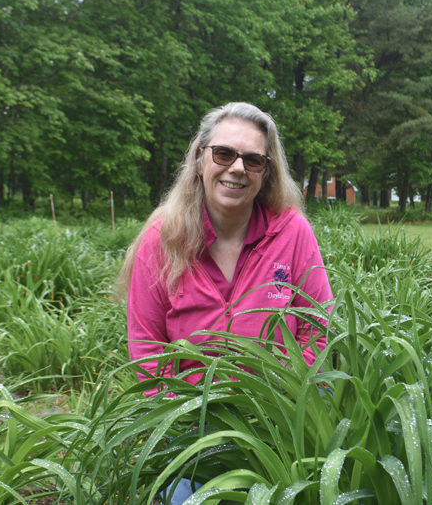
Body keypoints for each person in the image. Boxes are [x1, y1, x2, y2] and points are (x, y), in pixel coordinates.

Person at [116, 102, 332, 503]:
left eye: (253, 160)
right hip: (192, 427)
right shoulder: (161, 239)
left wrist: (282, 401)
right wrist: (187, 419)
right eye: (224, 154)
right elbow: (146, 348)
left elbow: (318, 328)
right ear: (200, 160)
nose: (237, 168)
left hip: (280, 417)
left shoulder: (293, 232)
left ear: (266, 173)